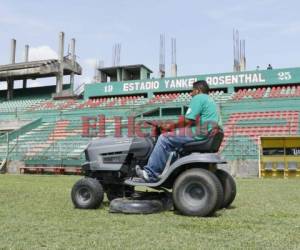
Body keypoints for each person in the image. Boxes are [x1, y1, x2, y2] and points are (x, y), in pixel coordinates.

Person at [136, 80, 221, 182]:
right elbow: (192, 123)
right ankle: (173, 175)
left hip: (201, 133)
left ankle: (150, 174)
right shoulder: (211, 101)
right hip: (211, 133)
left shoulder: (199, 98)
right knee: (178, 148)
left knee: (164, 138)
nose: (191, 94)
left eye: (192, 91)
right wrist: (174, 128)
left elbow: (188, 120)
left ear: (198, 91)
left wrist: (169, 127)